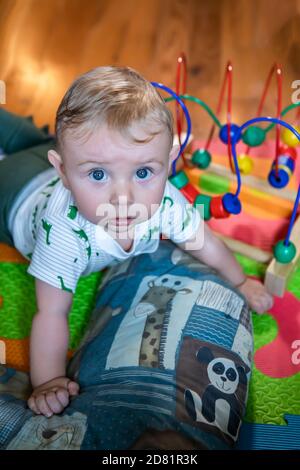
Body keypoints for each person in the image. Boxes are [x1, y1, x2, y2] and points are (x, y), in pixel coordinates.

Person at [0, 66, 273, 418]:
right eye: (98, 174)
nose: (123, 196)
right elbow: (52, 313)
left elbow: (204, 242)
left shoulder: (165, 202)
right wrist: (48, 381)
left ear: (168, 162)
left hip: (44, 155)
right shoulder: (63, 234)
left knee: (30, 138)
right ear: (64, 172)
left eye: (143, 172)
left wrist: (239, 281)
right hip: (14, 193)